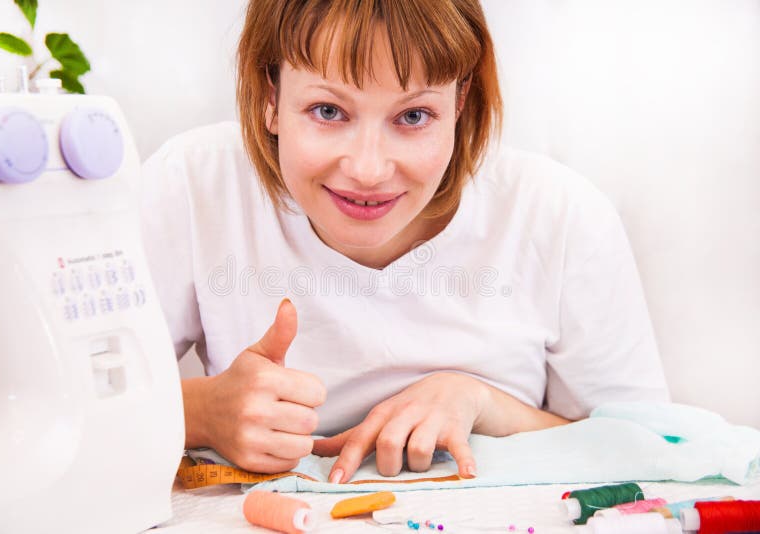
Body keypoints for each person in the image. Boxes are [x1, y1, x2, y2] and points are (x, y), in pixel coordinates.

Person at [140, 0, 669, 484]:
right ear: (271, 97)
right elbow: (71, 410)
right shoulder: (192, 184)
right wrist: (201, 413)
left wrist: (484, 404)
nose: (368, 170)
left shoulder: (559, 215)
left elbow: (661, 449)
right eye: (328, 111)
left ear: (460, 102)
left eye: (413, 116)